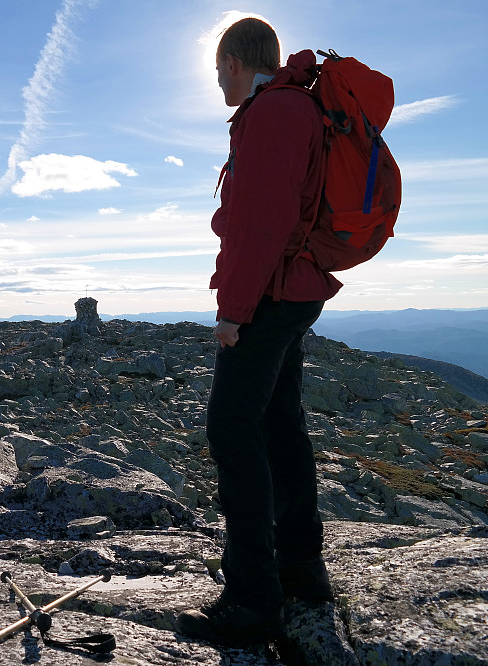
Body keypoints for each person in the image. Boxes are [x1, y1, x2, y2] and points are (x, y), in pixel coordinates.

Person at [174, 17, 340, 646]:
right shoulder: (294, 109)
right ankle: (300, 570)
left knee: (231, 426)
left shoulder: (271, 115)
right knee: (278, 423)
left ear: (238, 62)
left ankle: (251, 600)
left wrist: (233, 312)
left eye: (220, 68)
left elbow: (261, 224)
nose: (217, 80)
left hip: (271, 296)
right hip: (295, 290)